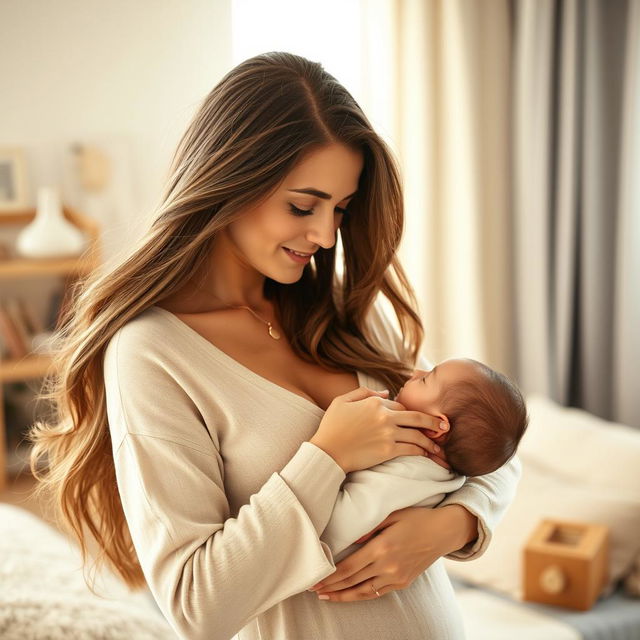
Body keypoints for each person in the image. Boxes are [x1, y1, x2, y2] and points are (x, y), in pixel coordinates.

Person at [28, 52, 521, 640]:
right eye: (302, 205)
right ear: (229, 180)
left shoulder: (340, 311)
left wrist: (454, 527)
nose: (325, 234)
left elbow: (484, 434)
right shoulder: (153, 354)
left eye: (340, 208)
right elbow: (197, 604)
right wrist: (327, 457)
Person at [321, 358, 529, 562]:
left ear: (436, 427)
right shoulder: (447, 475)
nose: (415, 372)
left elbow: (331, 534)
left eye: (425, 379)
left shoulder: (405, 475)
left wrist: (330, 458)